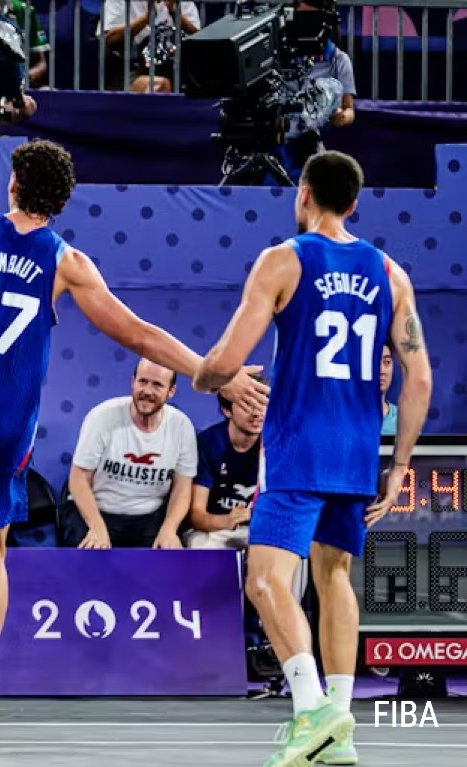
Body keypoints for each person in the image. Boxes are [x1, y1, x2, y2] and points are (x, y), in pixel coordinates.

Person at [0, 139, 269, 738]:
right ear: (61, 202)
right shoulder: (67, 262)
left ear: (13, 185)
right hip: (11, 426)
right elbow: (139, 334)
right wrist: (208, 370)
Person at [194, 150, 432, 767]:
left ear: (303, 194)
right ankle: (343, 721)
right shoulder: (390, 272)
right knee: (332, 579)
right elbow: (420, 379)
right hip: (355, 451)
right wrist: (400, 465)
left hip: (298, 444)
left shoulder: (283, 260)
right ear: (353, 203)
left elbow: (226, 359)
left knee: (267, 580)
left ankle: (313, 712)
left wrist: (208, 378)